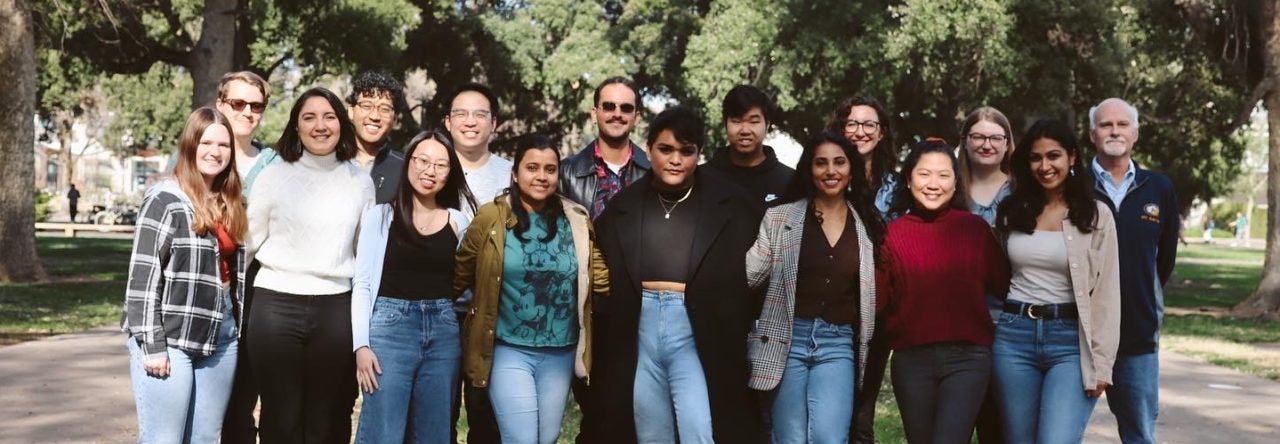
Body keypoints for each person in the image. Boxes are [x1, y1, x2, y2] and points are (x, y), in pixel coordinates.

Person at [596, 106, 764, 444]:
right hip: (641, 329)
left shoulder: (733, 204)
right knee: (650, 434)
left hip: (696, 330)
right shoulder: (623, 206)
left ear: (698, 154)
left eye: (686, 151)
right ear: (649, 149)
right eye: (665, 149)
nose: (675, 160)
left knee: (698, 429)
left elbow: (759, 273)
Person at [454, 135, 609, 444]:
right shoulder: (491, 217)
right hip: (507, 349)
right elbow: (460, 273)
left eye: (550, 169)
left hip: (561, 351)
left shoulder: (576, 219)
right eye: (532, 168)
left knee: (547, 438)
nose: (541, 176)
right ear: (515, 173)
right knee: (522, 438)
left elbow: (599, 278)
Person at [245, 87, 375, 443]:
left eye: (329, 116)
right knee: (281, 417)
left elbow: (365, 255)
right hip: (275, 307)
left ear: (341, 124)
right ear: (296, 127)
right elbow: (248, 244)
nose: (320, 126)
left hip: (336, 309)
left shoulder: (360, 182)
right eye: (309, 117)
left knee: (327, 418)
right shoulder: (273, 177)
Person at [745, 132, 883, 443]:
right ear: (809, 169)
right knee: (789, 438)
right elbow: (749, 276)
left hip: (838, 343)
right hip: (787, 339)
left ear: (851, 169)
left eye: (839, 162)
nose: (831, 171)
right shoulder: (779, 217)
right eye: (821, 163)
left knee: (830, 438)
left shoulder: (867, 224)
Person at [993, 119, 1121, 443]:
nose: (1045, 166)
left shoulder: (1097, 215)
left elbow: (1107, 293)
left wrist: (1102, 364)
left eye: (1054, 156)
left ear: (1072, 157)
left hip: (1070, 343)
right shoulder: (1013, 210)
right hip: (1013, 337)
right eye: (1036, 158)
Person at [123, 107, 247, 442]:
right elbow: (143, 277)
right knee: (164, 438)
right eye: (206, 142)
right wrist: (152, 345)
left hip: (221, 335)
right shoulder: (165, 199)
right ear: (190, 145)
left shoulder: (230, 202)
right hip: (171, 335)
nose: (215, 151)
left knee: (204, 439)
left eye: (223, 145)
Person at [878, 139, 1010, 444]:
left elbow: (1006, 285)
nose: (933, 184)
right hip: (911, 360)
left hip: (968, 359)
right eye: (924, 174)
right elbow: (878, 299)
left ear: (955, 182)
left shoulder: (975, 230)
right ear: (908, 179)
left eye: (943, 175)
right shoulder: (892, 233)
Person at [351, 130, 478, 443]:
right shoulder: (382, 216)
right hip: (389, 331)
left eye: (440, 165)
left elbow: (467, 283)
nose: (429, 171)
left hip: (444, 333)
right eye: (422, 161)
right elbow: (363, 284)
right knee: (383, 432)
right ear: (408, 162)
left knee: (434, 433)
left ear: (450, 173)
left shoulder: (458, 221)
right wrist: (361, 345)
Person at [557, 76, 651, 443]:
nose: (616, 114)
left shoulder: (653, 171)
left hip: (637, 309)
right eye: (608, 106)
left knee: (630, 414)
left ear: (637, 116)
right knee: (595, 412)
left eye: (626, 108)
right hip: (585, 309)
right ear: (594, 112)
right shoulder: (567, 172)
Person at [1088, 98, 1179, 444]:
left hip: (1137, 337)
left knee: (1139, 435)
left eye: (1122, 124)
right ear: (1092, 134)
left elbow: (1163, 261)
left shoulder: (1159, 188)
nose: (1114, 131)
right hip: (1078, 335)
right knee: (1057, 434)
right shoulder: (1074, 186)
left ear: (1135, 133)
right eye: (1106, 124)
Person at [826, 95, 899, 443]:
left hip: (877, 309)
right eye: (852, 123)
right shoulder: (824, 178)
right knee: (828, 409)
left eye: (869, 124)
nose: (860, 131)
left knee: (861, 415)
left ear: (881, 133)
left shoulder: (898, 188)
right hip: (830, 306)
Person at [215, 69, 281, 444]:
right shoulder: (200, 155)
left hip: (256, 292)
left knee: (242, 399)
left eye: (256, 106)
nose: (247, 112)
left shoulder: (275, 164)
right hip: (206, 289)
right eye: (238, 103)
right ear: (220, 104)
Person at [444, 82, 511, 444]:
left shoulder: (511, 175)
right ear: (448, 122)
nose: (470, 122)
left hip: (493, 312)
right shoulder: (430, 167)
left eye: (480, 114)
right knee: (437, 414)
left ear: (493, 123)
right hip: (438, 308)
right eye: (461, 114)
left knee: (487, 417)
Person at [958, 106, 1016, 444]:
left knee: (998, 425)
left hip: (1009, 325)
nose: (986, 144)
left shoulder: (1021, 192)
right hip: (957, 322)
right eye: (978, 136)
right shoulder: (948, 189)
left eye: (995, 138)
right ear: (965, 141)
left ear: (1007, 144)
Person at [705, 84, 795, 204]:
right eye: (737, 121)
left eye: (754, 121)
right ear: (725, 124)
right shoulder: (702, 178)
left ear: (767, 125)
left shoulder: (790, 181)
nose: (745, 130)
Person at [347, 71, 409, 204]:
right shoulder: (330, 160)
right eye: (366, 106)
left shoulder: (406, 169)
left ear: (395, 120)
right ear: (351, 111)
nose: (374, 116)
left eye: (385, 109)